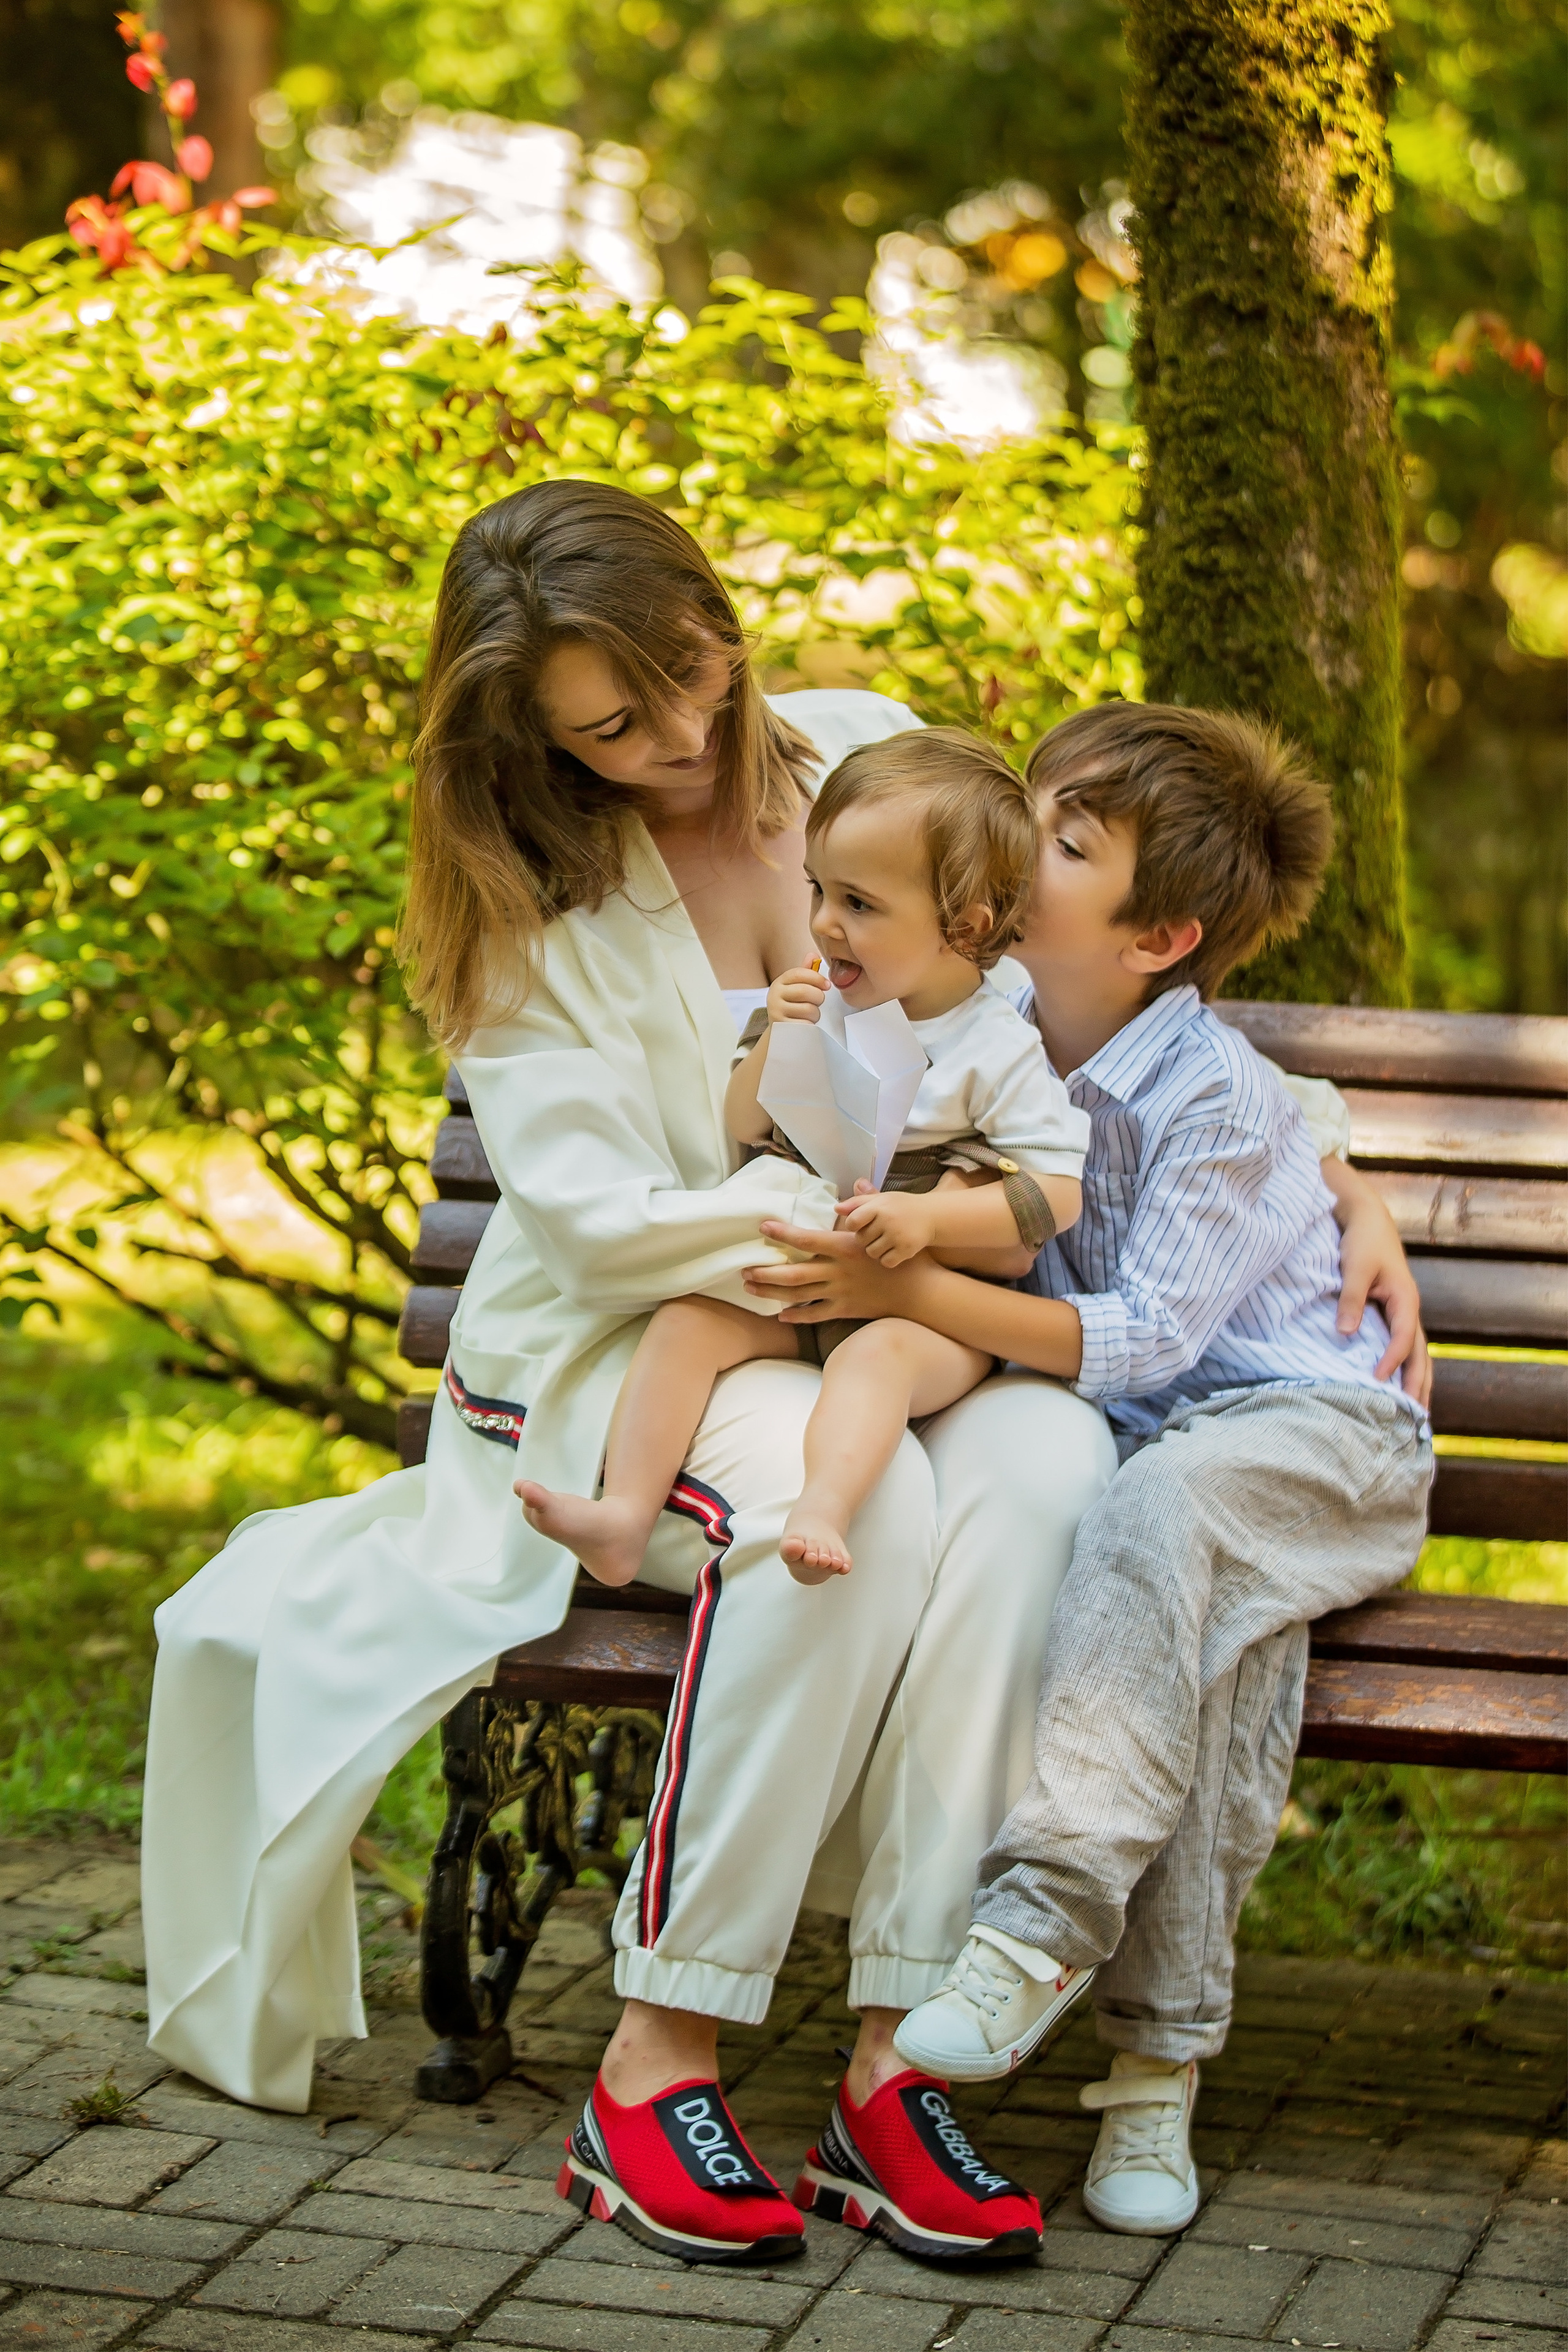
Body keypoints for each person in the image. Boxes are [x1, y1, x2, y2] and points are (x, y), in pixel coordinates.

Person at [140, 480, 1422, 2275]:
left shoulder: (859, 748)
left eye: (689, 676)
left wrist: (1330, 1158)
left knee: (1054, 1474)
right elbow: (593, 1226)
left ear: (718, 615)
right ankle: (658, 2054)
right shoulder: (532, 901)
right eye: (611, 726)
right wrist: (832, 1243)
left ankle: (897, 2067)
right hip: (649, 1334)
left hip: (896, 1313)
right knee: (861, 1511)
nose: (675, 741)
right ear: (533, 739)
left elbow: (1067, 996)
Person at [745, 704, 1434, 2244]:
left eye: (1064, 841)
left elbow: (1134, 1337)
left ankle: (1035, 1929)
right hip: (1179, 1454)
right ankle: (1153, 2073)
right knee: (1207, 1641)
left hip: (1322, 1436)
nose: (1017, 844)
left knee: (1152, 1509)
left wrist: (911, 1295)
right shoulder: (991, 1011)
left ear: (1161, 932)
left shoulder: (1213, 1098)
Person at [515, 728, 1088, 1588]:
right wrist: (774, 1041)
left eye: (859, 904)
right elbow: (746, 1122)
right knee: (687, 1324)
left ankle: (824, 1505)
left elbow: (1055, 1195)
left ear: (960, 926)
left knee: (873, 1362)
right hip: (806, 1283)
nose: (823, 921)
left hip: (925, 1317)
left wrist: (929, 1216)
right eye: (820, 889)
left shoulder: (994, 1048)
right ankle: (624, 1516)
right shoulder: (823, 999)